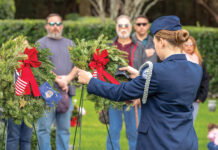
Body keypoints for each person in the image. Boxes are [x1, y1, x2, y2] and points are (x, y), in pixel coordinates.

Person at [77, 15, 202, 150]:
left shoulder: (156, 72)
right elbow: (169, 86)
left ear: (162, 42)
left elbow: (122, 92)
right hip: (186, 141)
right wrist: (140, 75)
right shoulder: (196, 69)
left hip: (158, 142)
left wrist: (90, 81)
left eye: (154, 42)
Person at [36, 13, 78, 150]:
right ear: (46, 26)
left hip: (66, 93)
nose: (55, 27)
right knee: (43, 129)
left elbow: (78, 64)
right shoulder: (40, 44)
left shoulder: (71, 44)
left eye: (58, 24)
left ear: (62, 26)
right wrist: (57, 79)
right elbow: (39, 65)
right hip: (47, 93)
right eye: (52, 24)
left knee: (64, 130)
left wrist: (67, 79)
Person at [105, 15, 144, 150]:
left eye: (126, 25)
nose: (123, 28)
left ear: (131, 27)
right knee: (113, 132)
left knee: (134, 133)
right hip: (113, 95)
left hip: (133, 96)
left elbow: (144, 73)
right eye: (120, 25)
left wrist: (140, 94)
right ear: (116, 27)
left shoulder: (139, 47)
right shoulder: (108, 46)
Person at [6, 40, 33, 150]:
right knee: (13, 137)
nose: (23, 50)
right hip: (13, 105)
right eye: (20, 46)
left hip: (29, 105)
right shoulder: (9, 66)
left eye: (26, 47)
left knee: (26, 138)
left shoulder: (31, 66)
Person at [182, 36, 209, 122]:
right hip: (181, 98)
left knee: (191, 123)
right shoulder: (179, 60)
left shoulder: (199, 61)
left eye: (191, 44)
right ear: (182, 45)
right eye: (186, 44)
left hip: (195, 98)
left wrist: (201, 96)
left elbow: (205, 79)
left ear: (194, 46)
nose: (189, 46)